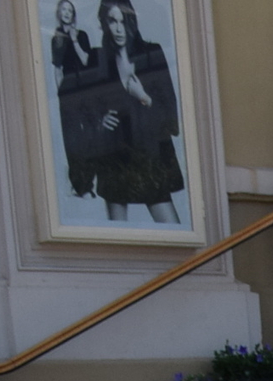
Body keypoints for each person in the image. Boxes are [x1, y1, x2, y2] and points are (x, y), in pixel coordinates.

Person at [84, 1, 183, 223]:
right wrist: (99, 122)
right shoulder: (98, 61)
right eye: (112, 21)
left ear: (131, 23)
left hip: (150, 158)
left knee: (171, 229)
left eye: (123, 21)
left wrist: (144, 97)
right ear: (104, 23)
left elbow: (172, 120)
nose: (118, 29)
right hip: (115, 159)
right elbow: (83, 109)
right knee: (117, 234)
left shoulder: (151, 53)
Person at [50, 0, 98, 199]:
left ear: (74, 14)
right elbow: (58, 68)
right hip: (69, 91)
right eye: (63, 10)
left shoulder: (82, 35)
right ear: (59, 14)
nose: (67, 13)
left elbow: (86, 60)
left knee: (91, 133)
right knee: (72, 139)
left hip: (86, 89)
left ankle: (90, 180)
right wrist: (60, 91)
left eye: (70, 10)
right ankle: (80, 186)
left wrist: (75, 39)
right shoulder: (57, 38)